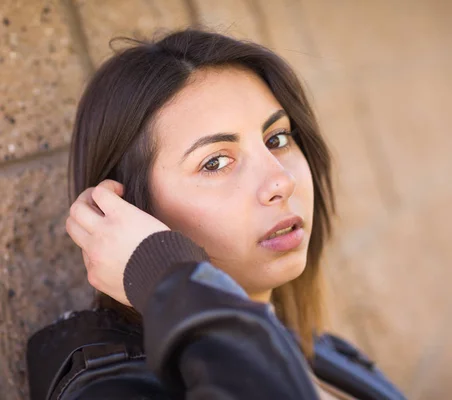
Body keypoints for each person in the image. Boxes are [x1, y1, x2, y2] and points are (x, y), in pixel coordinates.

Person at [26, 28, 406, 399]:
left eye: (277, 139)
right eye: (216, 162)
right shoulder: (113, 390)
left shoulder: (321, 350)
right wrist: (160, 272)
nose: (281, 180)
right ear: (129, 212)